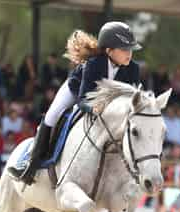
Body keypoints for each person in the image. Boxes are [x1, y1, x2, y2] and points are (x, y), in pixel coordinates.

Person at [8, 21, 141, 185]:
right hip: (77, 91)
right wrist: (92, 108)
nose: (129, 53)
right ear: (109, 50)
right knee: (52, 115)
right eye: (124, 49)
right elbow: (82, 98)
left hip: (108, 102)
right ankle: (30, 164)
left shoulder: (133, 69)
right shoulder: (94, 64)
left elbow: (132, 99)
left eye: (130, 49)